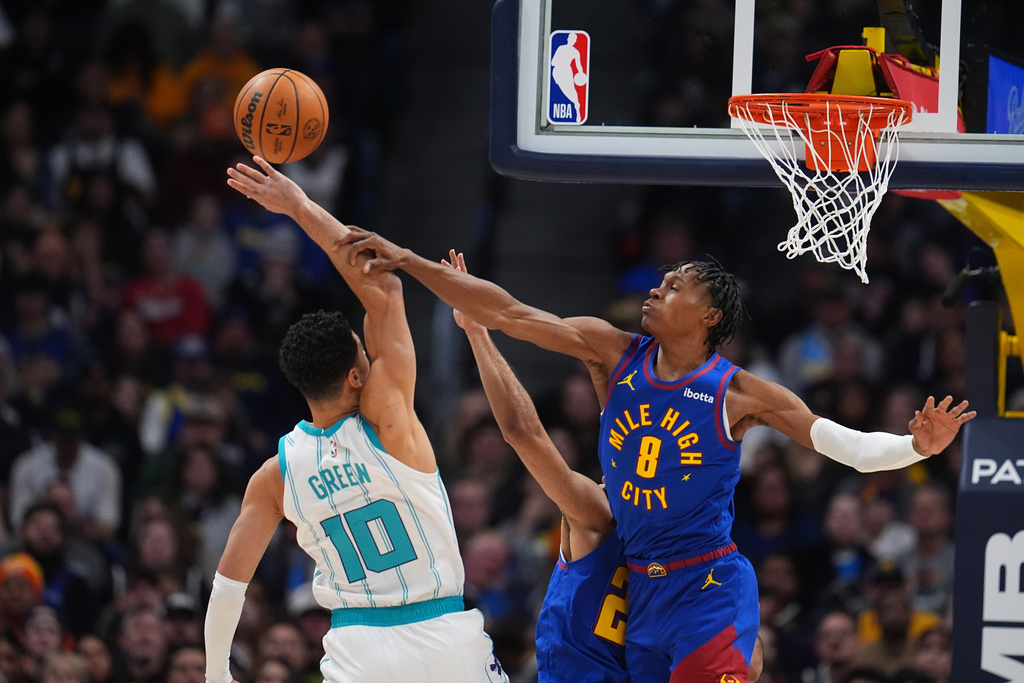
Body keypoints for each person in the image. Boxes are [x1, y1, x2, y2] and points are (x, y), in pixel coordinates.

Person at [334, 225, 976, 683]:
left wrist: (911, 447)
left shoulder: (738, 392)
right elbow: (505, 312)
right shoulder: (612, 350)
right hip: (642, 591)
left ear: (709, 315)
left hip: (708, 585)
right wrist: (410, 261)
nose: (655, 290)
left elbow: (848, 447)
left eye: (672, 287)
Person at [204, 155, 507, 683]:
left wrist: (214, 675)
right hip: (442, 634)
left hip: (356, 650)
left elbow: (229, 584)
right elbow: (383, 286)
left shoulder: (276, 475)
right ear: (354, 377)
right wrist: (298, 206)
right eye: (362, 355)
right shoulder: (389, 422)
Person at [449, 250, 766, 683]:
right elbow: (745, 655)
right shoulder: (685, 555)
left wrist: (478, 334)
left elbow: (521, 430)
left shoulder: (595, 515)